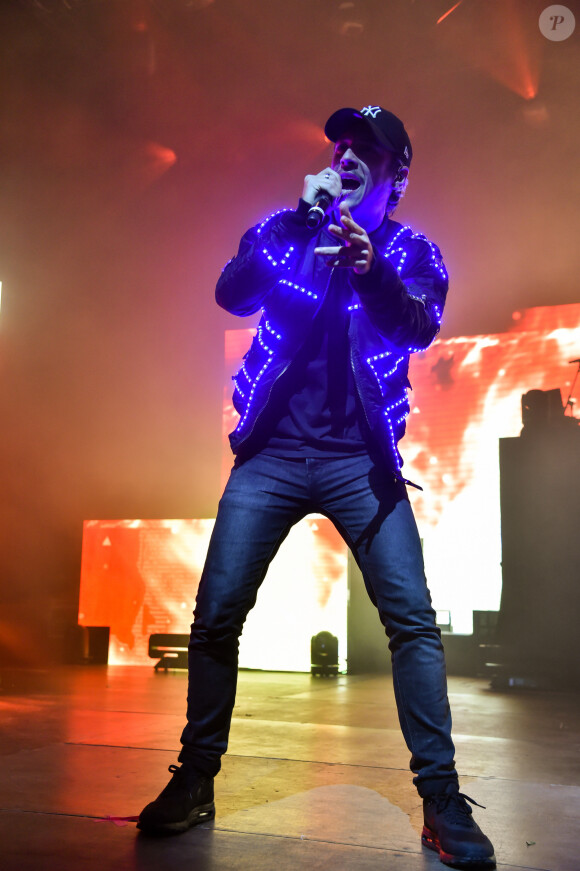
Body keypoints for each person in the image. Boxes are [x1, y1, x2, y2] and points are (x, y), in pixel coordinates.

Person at [138, 105, 495, 869]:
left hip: (360, 460)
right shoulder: (283, 226)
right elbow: (231, 295)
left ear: (397, 173)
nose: (347, 154)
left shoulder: (413, 249)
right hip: (270, 455)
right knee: (215, 616)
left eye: (366, 148)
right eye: (340, 144)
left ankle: (442, 797)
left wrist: (372, 273)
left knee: (412, 622)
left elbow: (416, 328)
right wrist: (297, 230)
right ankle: (195, 777)